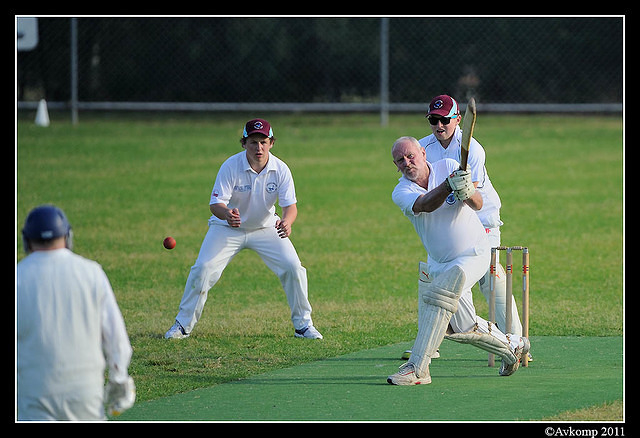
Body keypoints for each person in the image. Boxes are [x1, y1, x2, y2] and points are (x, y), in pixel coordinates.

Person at [387, 137, 529, 385]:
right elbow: (425, 205)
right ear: (396, 165)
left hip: (473, 252)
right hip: (441, 263)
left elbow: (478, 204)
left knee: (438, 297)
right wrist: (447, 186)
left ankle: (418, 369)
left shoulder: (448, 164)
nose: (407, 162)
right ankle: (512, 346)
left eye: (411, 156)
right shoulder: (401, 191)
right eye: (401, 160)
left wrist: (467, 190)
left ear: (423, 153)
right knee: (463, 328)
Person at [165, 119, 322, 340]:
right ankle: (182, 325)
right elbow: (215, 204)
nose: (258, 148)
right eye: (253, 142)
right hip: (227, 229)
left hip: (266, 228)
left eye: (263, 142)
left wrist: (287, 222)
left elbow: (291, 207)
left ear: (271, 143)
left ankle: (303, 326)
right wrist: (227, 214)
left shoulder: (281, 169)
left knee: (293, 267)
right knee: (203, 268)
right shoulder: (231, 166)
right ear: (244, 143)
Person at [17, 205, 135, 420]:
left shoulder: (18, 278)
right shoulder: (91, 272)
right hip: (84, 392)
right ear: (68, 236)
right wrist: (119, 378)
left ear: (26, 241)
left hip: (35, 393)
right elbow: (117, 338)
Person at [419, 94, 523, 338]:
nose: (439, 126)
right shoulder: (423, 149)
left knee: (489, 278)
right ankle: (429, 344)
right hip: (450, 222)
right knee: (441, 279)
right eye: (433, 120)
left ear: (457, 119)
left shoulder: (473, 149)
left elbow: (473, 201)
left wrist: (460, 187)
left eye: (444, 120)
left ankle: (515, 339)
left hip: (482, 218)